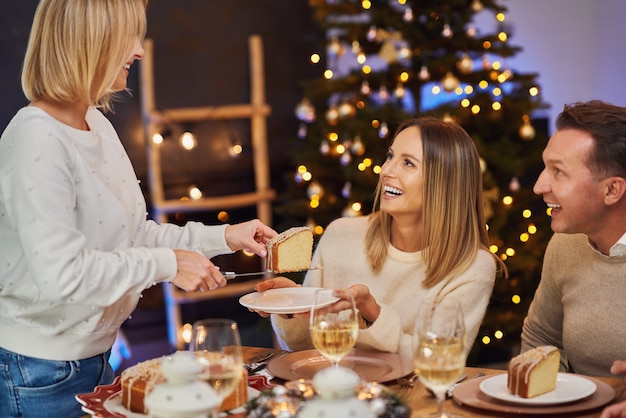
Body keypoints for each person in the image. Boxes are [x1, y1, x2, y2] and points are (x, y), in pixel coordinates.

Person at [0, 1, 276, 417]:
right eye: (129, 36)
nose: (139, 51)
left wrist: (223, 236)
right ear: (89, 41)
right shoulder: (37, 139)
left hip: (92, 359)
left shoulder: (96, 123)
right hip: (39, 372)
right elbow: (62, 275)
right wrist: (167, 264)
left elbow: (134, 236)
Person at [252, 117, 505, 359]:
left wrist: (373, 313)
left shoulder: (472, 267)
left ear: (444, 182)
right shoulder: (340, 235)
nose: (385, 171)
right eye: (390, 156)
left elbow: (438, 361)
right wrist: (293, 309)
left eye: (408, 163)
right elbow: (301, 347)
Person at [521, 100, 626, 377]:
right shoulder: (565, 243)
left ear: (612, 190)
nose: (539, 186)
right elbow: (541, 336)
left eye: (559, 171)